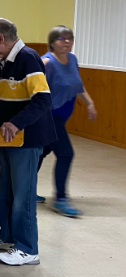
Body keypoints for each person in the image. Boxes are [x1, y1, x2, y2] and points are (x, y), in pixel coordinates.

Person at [0, 18, 56, 266]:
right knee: (5, 190)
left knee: (23, 194)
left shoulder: (28, 58)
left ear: (0, 37)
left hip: (27, 138)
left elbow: (42, 99)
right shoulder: (4, 62)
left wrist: (16, 122)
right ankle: (7, 236)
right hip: (9, 138)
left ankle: (28, 249)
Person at [37, 25, 96, 217]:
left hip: (62, 116)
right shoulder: (47, 63)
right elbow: (33, 91)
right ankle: (60, 199)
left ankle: (23, 190)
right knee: (65, 154)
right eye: (62, 38)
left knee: (41, 151)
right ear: (52, 42)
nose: (67, 41)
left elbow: (77, 85)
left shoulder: (72, 59)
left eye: (70, 38)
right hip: (48, 116)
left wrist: (89, 103)